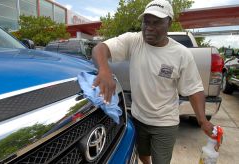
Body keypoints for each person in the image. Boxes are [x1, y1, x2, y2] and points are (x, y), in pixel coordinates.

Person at [91, 0, 219, 163]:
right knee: (143, 154)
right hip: (138, 117)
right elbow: (99, 48)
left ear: (169, 23)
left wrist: (202, 120)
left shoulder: (181, 54)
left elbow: (194, 89)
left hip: (165, 123)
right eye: (146, 22)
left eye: (157, 22)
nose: (149, 27)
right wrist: (104, 70)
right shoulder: (134, 41)